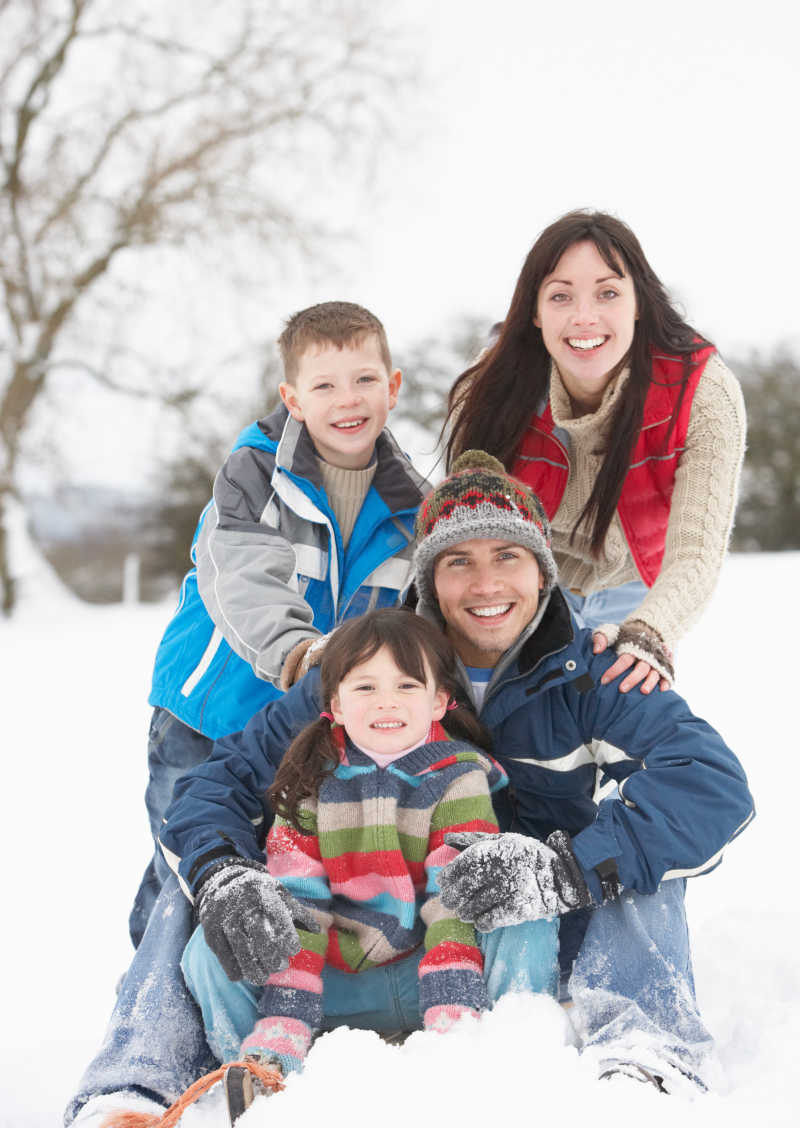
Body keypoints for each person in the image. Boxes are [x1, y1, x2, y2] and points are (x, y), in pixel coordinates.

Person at [67, 453, 753, 1122]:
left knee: (643, 852)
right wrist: (223, 875)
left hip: (519, 937)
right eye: (459, 562)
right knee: (201, 871)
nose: (486, 583)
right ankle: (138, 1080)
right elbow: (217, 784)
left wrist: (565, 870)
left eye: (508, 556)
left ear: (542, 572)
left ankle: (644, 1057)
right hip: (359, 936)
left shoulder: (593, 675)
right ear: (429, 578)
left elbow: (713, 786)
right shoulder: (368, 670)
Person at [171, 610, 557, 1120]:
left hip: (433, 978)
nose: (386, 701)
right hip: (333, 986)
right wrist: (286, 1021)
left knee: (519, 909)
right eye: (365, 686)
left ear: (439, 700)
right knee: (212, 944)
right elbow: (300, 908)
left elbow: (455, 903)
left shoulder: (459, 778)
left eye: (407, 685)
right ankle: (263, 1069)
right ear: (335, 703)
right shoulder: (309, 782)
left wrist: (453, 1027)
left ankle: (506, 1058)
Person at [131, 300, 429, 945]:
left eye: (364, 379)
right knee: (187, 872)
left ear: (393, 386)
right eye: (324, 385)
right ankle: (153, 995)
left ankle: (243, 992)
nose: (347, 400)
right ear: (292, 398)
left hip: (301, 730)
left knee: (268, 878)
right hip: (208, 714)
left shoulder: (413, 508)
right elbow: (243, 577)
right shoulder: (254, 473)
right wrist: (301, 653)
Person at [446, 210, 746, 696]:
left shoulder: (702, 392)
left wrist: (649, 632)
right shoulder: (490, 388)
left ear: (638, 303)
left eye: (607, 293)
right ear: (535, 312)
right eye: (561, 296)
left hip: (636, 588)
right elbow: (464, 528)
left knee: (622, 712)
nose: (584, 317)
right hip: (526, 585)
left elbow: (696, 552)